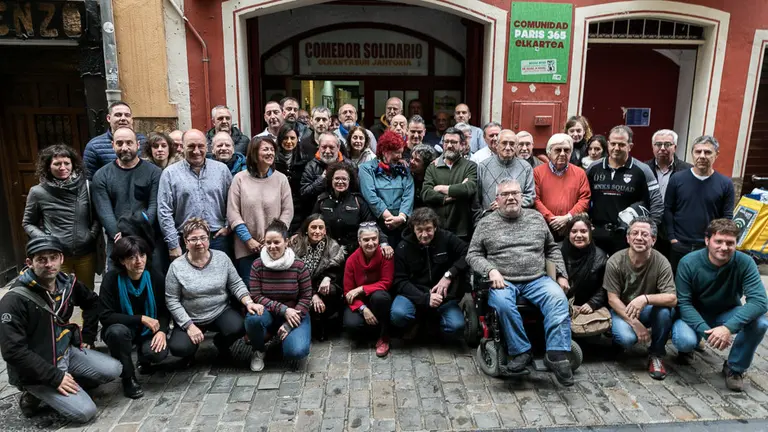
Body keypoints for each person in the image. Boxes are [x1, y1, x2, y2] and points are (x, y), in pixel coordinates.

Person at [0, 236, 121, 422]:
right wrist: (55, 377)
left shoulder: (67, 284)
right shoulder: (14, 300)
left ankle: (71, 380)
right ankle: (32, 394)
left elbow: (92, 303)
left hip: (65, 352)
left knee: (113, 369)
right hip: (37, 369)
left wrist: (87, 336)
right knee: (85, 412)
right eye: (41, 259)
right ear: (29, 262)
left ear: (61, 259)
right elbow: (13, 351)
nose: (49, 264)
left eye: (53, 257)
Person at [466, 179, 573, 386]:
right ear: (497, 199)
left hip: (537, 278)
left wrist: (561, 274)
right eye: (505, 194)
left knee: (559, 298)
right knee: (504, 305)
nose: (511, 197)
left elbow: (551, 248)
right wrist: (491, 270)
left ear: (522, 196)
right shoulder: (486, 223)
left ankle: (557, 353)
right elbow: (473, 254)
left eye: (515, 193)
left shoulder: (536, 218)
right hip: (503, 280)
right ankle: (521, 351)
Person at [673, 219, 768, 391]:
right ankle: (691, 346)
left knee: (760, 323)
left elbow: (760, 301)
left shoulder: (745, 262)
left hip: (727, 313)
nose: (724, 247)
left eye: (730, 243)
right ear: (707, 240)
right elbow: (684, 304)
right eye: (719, 241)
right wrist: (707, 333)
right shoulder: (688, 262)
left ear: (736, 244)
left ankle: (735, 368)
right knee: (684, 341)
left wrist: (727, 328)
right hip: (696, 314)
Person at [166, 218, 260, 364]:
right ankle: (191, 349)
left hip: (219, 311)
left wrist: (248, 302)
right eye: (193, 239)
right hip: (191, 316)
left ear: (208, 239)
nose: (199, 243)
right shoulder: (176, 267)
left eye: (203, 238)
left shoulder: (221, 258)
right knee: (179, 348)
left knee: (240, 326)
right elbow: (172, 300)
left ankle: (221, 343)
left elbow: (236, 283)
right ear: (186, 242)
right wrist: (189, 326)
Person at [604, 217, 678, 380]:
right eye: (634, 233)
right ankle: (618, 339)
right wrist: (635, 324)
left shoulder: (661, 261)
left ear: (653, 239)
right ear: (628, 238)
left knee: (665, 312)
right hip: (621, 309)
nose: (639, 237)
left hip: (646, 309)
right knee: (627, 339)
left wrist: (644, 298)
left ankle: (656, 355)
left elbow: (672, 298)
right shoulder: (615, 261)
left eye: (644, 234)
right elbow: (612, 299)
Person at [99, 236, 169, 399]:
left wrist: (163, 331)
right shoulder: (111, 279)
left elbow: (164, 311)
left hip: (148, 330)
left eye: (142, 255)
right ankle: (128, 377)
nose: (139, 261)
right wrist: (140, 318)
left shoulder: (154, 276)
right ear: (122, 261)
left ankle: (144, 359)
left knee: (158, 352)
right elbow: (106, 316)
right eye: (132, 257)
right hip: (123, 329)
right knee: (117, 333)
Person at [24, 144, 100, 291]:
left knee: (87, 293)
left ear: (73, 164)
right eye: (57, 164)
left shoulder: (87, 187)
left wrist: (90, 236)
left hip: (85, 253)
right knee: (58, 294)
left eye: (66, 163)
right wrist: (47, 239)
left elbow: (97, 216)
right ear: (48, 166)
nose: (62, 167)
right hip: (55, 255)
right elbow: (28, 223)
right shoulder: (37, 192)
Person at [391, 208, 468, 340]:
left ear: (435, 227)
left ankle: (432, 325)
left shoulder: (447, 238)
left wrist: (449, 275)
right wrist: (425, 299)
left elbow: (468, 253)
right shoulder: (403, 247)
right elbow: (399, 281)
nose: (424, 234)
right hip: (414, 295)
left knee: (457, 326)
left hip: (443, 297)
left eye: (428, 229)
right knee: (399, 314)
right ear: (413, 229)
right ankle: (418, 321)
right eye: (419, 230)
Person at [246, 219, 313, 371]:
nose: (272, 246)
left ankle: (287, 337)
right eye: (268, 242)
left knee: (295, 352)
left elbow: (306, 297)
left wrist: (290, 323)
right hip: (268, 313)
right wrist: (283, 310)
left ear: (286, 242)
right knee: (253, 319)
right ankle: (258, 350)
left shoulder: (298, 266)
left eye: (277, 242)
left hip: (295, 313)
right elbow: (256, 296)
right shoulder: (257, 265)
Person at [586, 125, 664, 255]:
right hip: (597, 234)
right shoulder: (593, 168)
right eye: (613, 144)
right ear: (608, 144)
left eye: (621, 144)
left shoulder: (643, 170)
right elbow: (583, 198)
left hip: (627, 236)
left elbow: (656, 203)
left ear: (630, 146)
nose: (616, 148)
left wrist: (649, 230)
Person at [92, 127, 162, 270]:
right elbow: (104, 211)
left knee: (153, 282)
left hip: (147, 236)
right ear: (113, 145)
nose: (124, 147)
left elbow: (154, 205)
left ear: (137, 144)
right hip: (118, 239)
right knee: (116, 281)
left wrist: (140, 230)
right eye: (119, 143)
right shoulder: (101, 176)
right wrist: (119, 234)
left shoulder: (154, 172)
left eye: (129, 143)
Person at [158, 129, 233, 260]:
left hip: (217, 238)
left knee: (220, 279)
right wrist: (173, 244)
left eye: (200, 146)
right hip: (185, 241)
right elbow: (164, 210)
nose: (196, 151)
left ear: (207, 146)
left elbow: (232, 202)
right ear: (182, 147)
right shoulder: (170, 173)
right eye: (191, 146)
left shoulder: (222, 170)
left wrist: (228, 226)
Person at [664, 135, 735, 272]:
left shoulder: (725, 184)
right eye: (698, 152)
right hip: (680, 245)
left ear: (716, 154)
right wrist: (672, 238)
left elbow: (727, 218)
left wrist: (717, 242)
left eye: (708, 152)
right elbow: (668, 209)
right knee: (677, 286)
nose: (702, 156)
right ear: (692, 154)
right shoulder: (677, 179)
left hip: (708, 247)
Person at [228, 136, 293, 283]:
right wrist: (248, 240)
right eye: (265, 149)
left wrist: (273, 237)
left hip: (274, 246)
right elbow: (233, 213)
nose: (270, 153)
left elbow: (287, 211)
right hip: (247, 248)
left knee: (274, 289)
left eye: (272, 149)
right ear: (254, 153)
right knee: (251, 291)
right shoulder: (239, 179)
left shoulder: (281, 179)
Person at [313, 162, 392, 256]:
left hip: (353, 253)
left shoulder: (358, 201)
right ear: (331, 180)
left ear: (349, 181)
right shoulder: (322, 200)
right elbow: (311, 222)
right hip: (327, 252)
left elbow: (371, 224)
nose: (340, 182)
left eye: (344, 179)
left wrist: (384, 243)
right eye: (337, 178)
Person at [290, 214, 346, 341]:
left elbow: (336, 270)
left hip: (320, 286)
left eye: (321, 228)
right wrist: (312, 294)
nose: (317, 231)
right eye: (313, 227)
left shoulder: (333, 246)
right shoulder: (295, 245)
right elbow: (293, 273)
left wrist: (327, 277)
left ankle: (322, 324)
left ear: (325, 230)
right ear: (306, 229)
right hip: (299, 285)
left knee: (329, 289)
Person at [343, 222, 394, 357]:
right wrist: (363, 309)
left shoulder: (385, 255)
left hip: (379, 298)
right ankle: (372, 333)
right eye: (366, 240)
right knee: (351, 325)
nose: (370, 243)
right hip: (360, 303)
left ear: (378, 239)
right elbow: (348, 291)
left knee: (379, 297)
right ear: (359, 241)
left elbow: (386, 282)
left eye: (374, 239)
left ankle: (384, 337)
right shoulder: (351, 260)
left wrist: (361, 288)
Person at [359, 130, 415, 247]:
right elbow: (370, 196)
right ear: (384, 151)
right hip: (378, 226)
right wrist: (390, 218)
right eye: (396, 152)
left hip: (402, 226)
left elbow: (408, 195)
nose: (400, 156)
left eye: (401, 152)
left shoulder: (403, 169)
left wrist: (401, 218)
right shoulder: (366, 169)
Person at [421, 127, 478, 241]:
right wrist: (448, 198)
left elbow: (469, 189)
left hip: (462, 230)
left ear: (462, 145)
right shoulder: (433, 167)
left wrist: (440, 188)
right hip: (437, 230)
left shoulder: (470, 166)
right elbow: (426, 194)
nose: (449, 145)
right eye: (446, 142)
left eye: (454, 142)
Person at [644, 129, 693, 258]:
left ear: (675, 147)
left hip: (677, 228)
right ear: (652, 146)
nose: (662, 148)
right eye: (658, 144)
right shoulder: (643, 169)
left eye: (667, 144)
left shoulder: (688, 170)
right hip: (649, 224)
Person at [533, 134, 591, 240]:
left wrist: (567, 218)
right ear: (549, 152)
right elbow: (535, 199)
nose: (563, 154)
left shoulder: (580, 173)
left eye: (567, 150)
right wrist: (551, 219)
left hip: (571, 228)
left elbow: (584, 199)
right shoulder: (537, 172)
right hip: (544, 227)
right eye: (558, 150)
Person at [83, 101, 146, 180]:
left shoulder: (144, 141)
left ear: (131, 119)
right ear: (108, 118)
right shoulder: (94, 146)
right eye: (118, 115)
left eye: (127, 115)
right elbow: (89, 179)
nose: (123, 118)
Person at [476, 130, 535, 212]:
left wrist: (504, 204)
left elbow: (530, 197)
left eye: (512, 144)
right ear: (496, 145)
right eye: (504, 143)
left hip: (517, 220)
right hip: (489, 219)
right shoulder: (483, 166)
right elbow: (476, 199)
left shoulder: (526, 167)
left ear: (516, 146)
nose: (508, 147)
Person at [561, 215, 607, 315]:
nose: (578, 235)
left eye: (583, 231)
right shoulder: (558, 253)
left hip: (587, 307)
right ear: (568, 234)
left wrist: (593, 303)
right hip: (561, 304)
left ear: (590, 234)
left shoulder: (600, 257)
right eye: (574, 231)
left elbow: (605, 287)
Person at [275, 123, 310, 233]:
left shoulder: (304, 158)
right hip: (278, 206)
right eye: (285, 138)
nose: (289, 141)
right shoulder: (273, 160)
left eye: (292, 138)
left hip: (299, 208)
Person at [301, 132, 347, 204]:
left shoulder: (349, 165)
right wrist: (322, 179)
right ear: (319, 147)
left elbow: (355, 193)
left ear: (338, 147)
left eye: (331, 147)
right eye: (324, 147)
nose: (327, 151)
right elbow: (304, 194)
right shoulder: (311, 166)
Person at [410, 144, 439, 210]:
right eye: (411, 158)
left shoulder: (433, 180)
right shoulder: (408, 176)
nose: (412, 162)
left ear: (426, 164)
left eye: (417, 160)